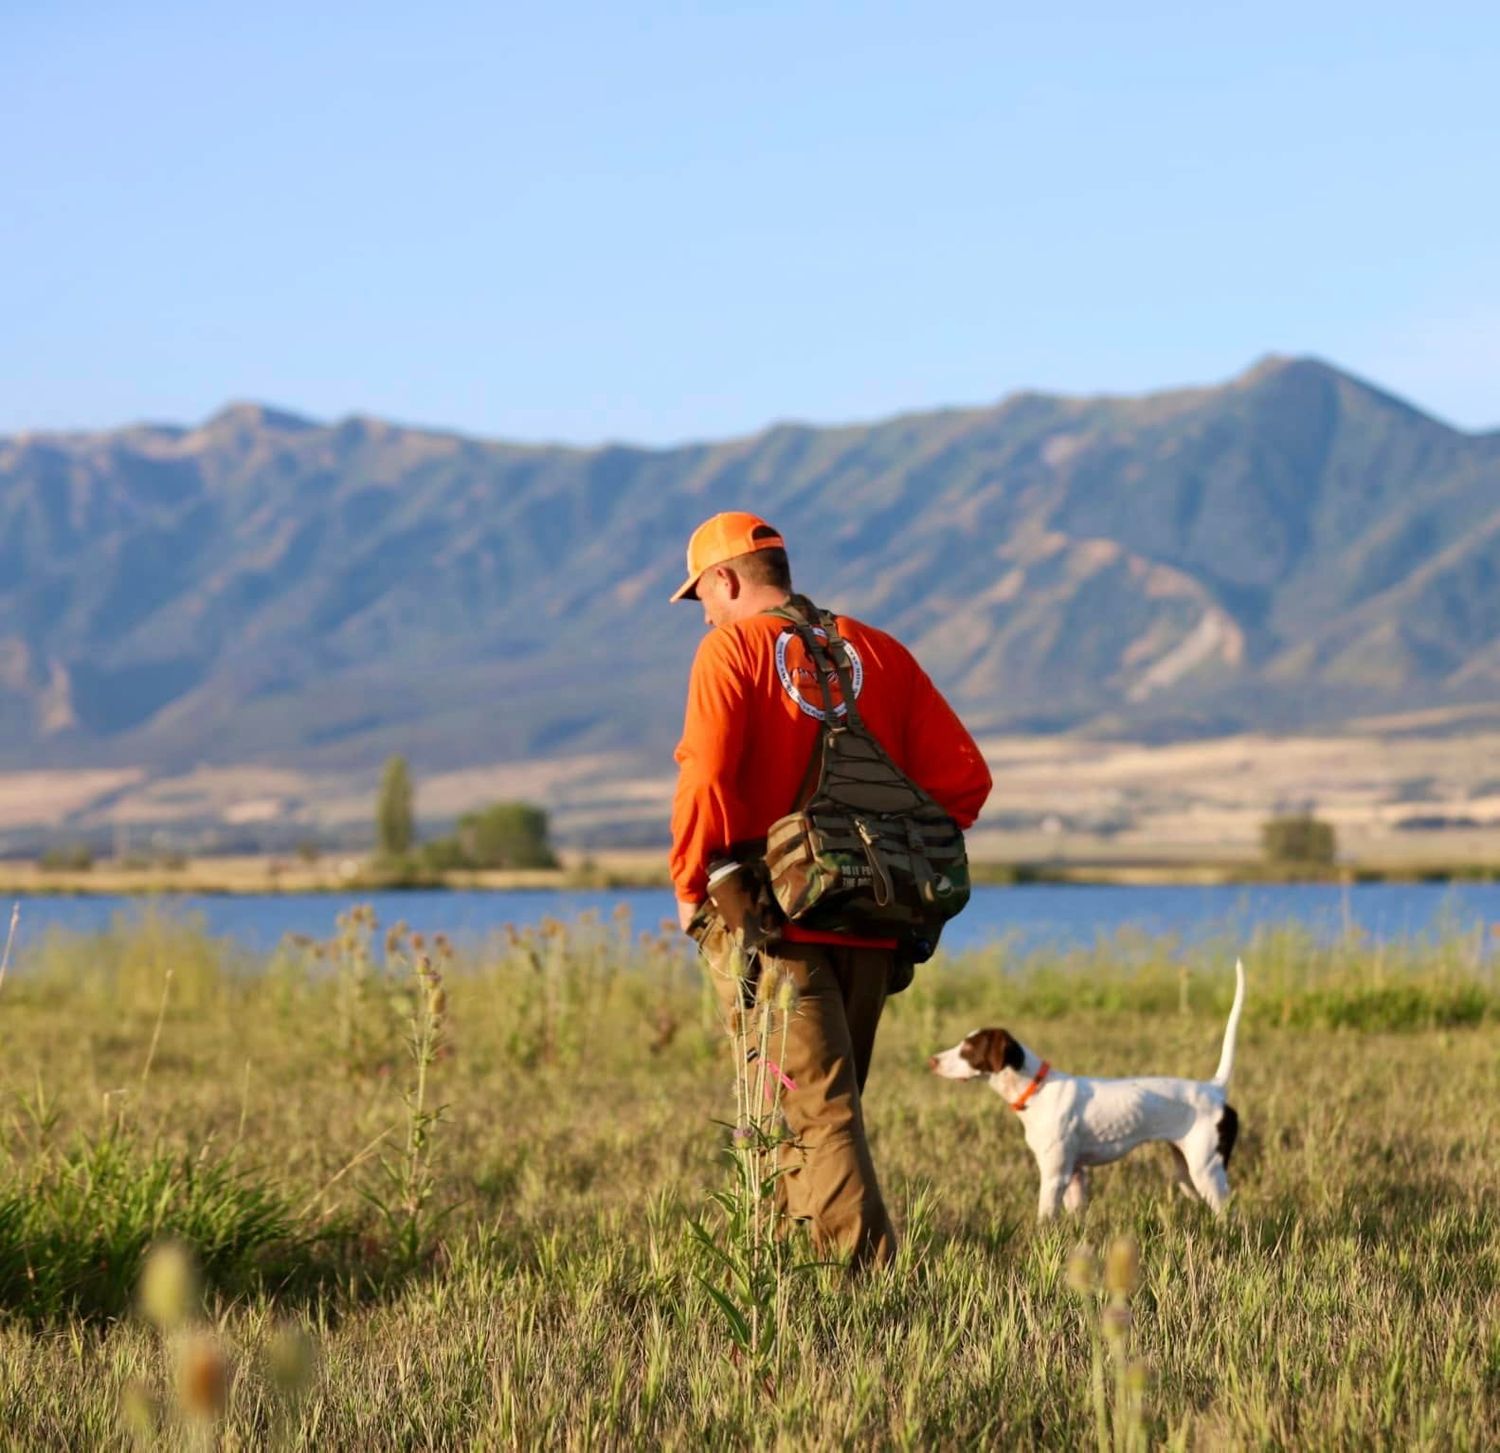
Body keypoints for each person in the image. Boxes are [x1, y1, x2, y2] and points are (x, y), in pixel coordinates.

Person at [670, 510, 992, 1268]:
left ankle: (868, 1285)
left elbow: (707, 775)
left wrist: (690, 882)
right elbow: (963, 782)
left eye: (702, 598)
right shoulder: (878, 650)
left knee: (813, 1111)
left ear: (725, 579)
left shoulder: (731, 649)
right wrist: (877, 851)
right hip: (872, 924)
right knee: (813, 1115)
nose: (704, 613)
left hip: (770, 926)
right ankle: (789, 1272)